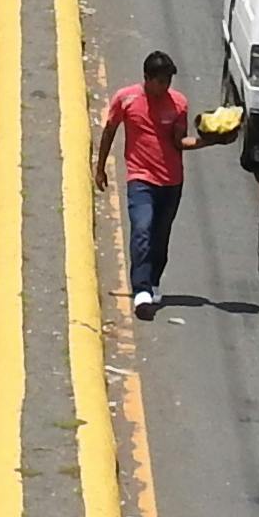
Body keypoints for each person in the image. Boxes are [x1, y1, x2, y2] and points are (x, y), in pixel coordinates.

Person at [90, 49, 200, 318]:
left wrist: (208, 141)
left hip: (171, 181)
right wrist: (100, 167)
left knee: (160, 237)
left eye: (168, 81)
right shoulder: (126, 99)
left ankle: (152, 280)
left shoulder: (179, 104)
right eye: (161, 81)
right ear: (147, 78)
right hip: (140, 179)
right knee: (142, 228)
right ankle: (141, 290)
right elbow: (110, 130)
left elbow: (179, 141)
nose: (165, 87)